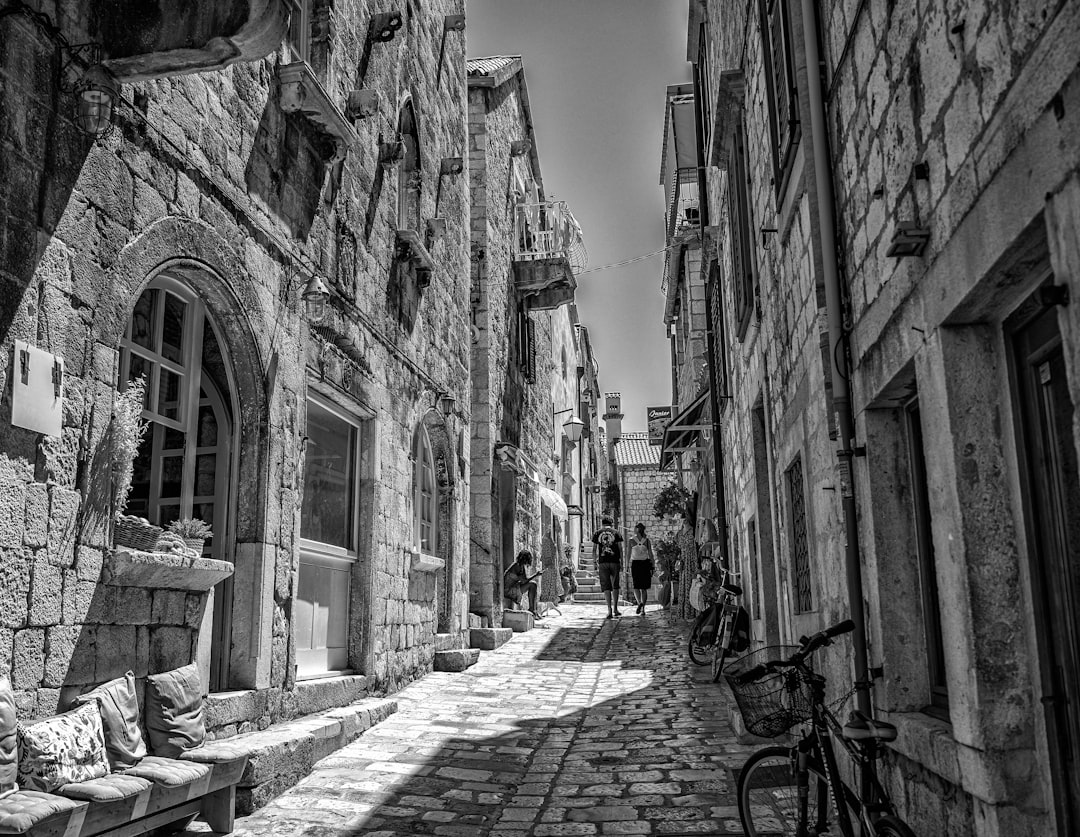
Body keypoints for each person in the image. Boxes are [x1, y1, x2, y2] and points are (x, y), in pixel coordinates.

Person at [591, 515, 624, 618]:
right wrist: (622, 562)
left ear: (603, 523)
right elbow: (620, 549)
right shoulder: (617, 532)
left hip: (603, 562)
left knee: (606, 586)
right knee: (615, 585)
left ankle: (609, 609)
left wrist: (594, 562)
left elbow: (594, 549)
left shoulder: (597, 533)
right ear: (612, 523)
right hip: (614, 561)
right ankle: (615, 608)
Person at [504, 550, 542, 618]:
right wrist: (536, 575)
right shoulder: (517, 566)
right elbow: (524, 581)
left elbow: (524, 580)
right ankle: (532, 609)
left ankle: (534, 610)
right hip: (508, 590)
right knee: (533, 585)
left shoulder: (520, 566)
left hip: (513, 587)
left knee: (534, 585)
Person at [629, 522, 655, 614]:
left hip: (635, 564)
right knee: (643, 588)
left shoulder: (631, 540)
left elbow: (629, 555)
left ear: (637, 530)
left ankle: (639, 603)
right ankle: (643, 608)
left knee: (636, 586)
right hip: (645, 564)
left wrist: (627, 566)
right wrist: (653, 565)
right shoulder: (647, 541)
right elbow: (651, 554)